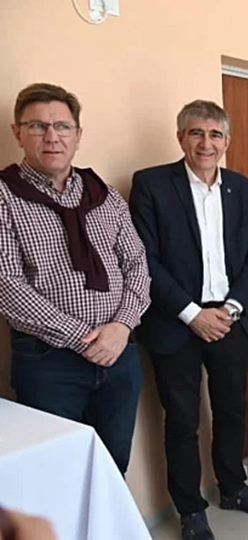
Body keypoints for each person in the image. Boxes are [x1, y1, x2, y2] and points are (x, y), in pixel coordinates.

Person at [130, 100, 248, 540]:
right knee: (182, 421)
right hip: (177, 322)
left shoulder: (242, 187)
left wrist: (232, 308)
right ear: (181, 138)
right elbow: (145, 259)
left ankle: (233, 487)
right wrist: (193, 315)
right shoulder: (152, 185)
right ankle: (190, 508)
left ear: (227, 142)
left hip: (229, 318)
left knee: (233, 410)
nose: (206, 143)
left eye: (215, 135)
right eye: (196, 133)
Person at [0, 83, 150, 474]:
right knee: (56, 473)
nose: (52, 137)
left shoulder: (104, 194)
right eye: (38, 126)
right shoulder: (4, 195)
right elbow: (8, 284)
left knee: (111, 467)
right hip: (49, 364)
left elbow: (136, 263)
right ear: (18, 132)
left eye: (63, 127)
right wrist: (84, 338)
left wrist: (120, 327)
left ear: (78, 135)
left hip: (120, 355)